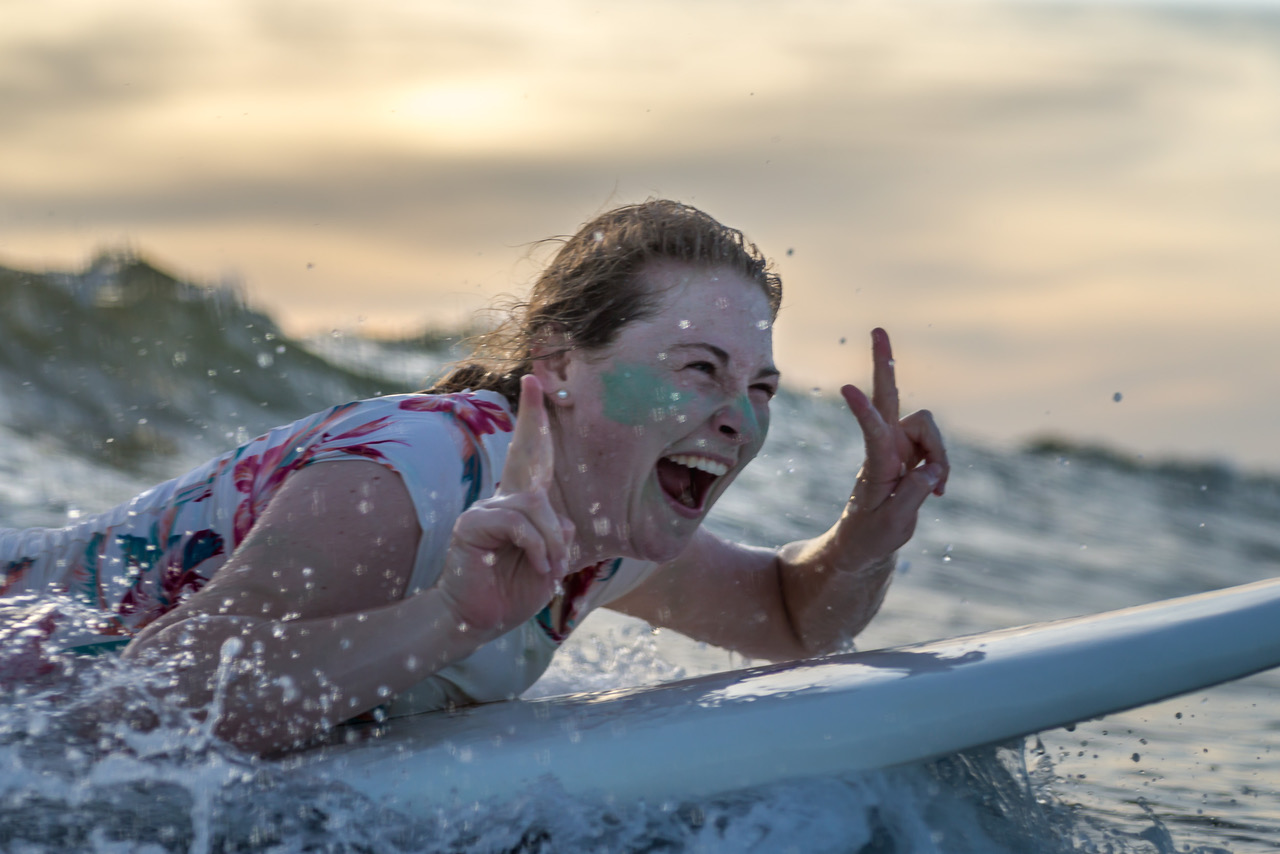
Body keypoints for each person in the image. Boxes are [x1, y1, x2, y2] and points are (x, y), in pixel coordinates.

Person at [0, 200, 947, 754]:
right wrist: (453, 617)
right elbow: (143, 702)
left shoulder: (604, 516)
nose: (741, 416)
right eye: (699, 369)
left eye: (763, 386)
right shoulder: (407, 482)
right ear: (561, 365)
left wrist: (868, 536)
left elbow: (789, 621)